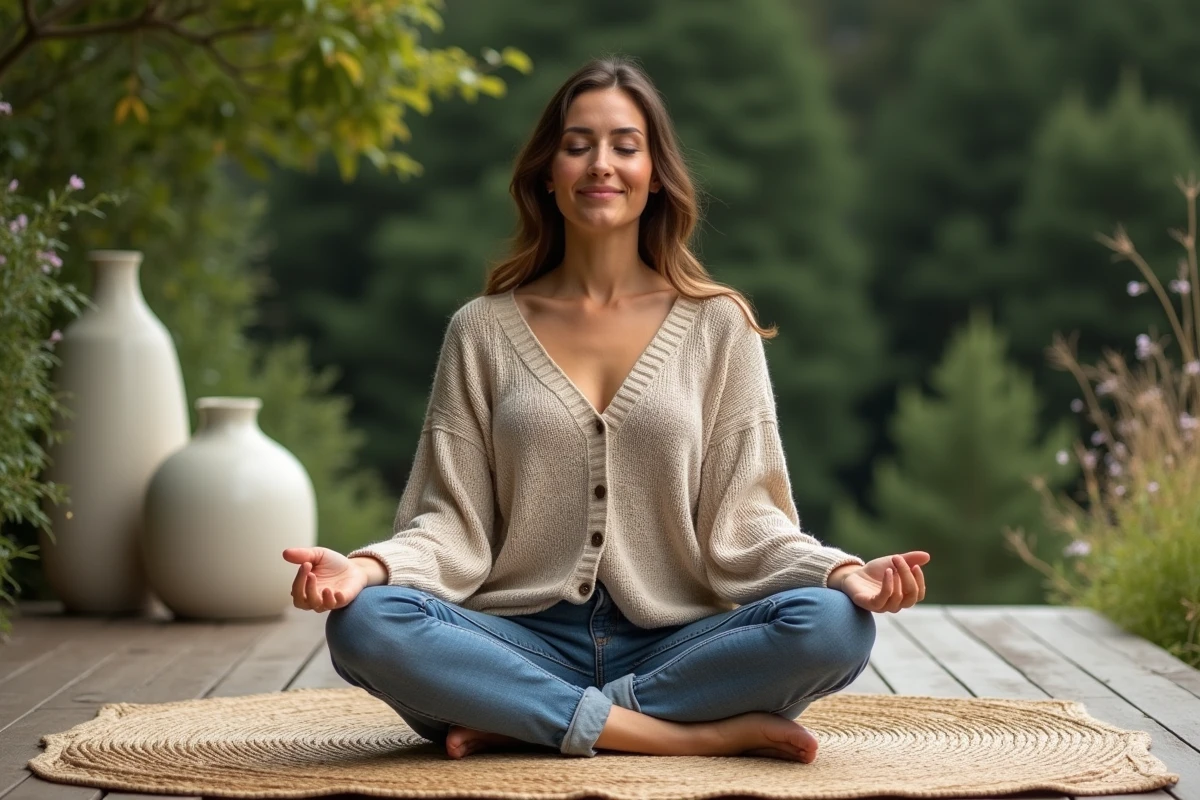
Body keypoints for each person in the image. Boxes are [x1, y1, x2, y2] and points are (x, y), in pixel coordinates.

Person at [282, 55, 929, 763]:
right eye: (577, 144)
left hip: (676, 643)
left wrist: (840, 573)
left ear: (655, 173)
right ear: (547, 172)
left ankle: (525, 720)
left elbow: (748, 522)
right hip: (518, 637)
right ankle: (685, 735)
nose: (601, 164)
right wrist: (365, 571)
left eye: (625, 145)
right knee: (366, 625)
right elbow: (449, 523)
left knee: (836, 626)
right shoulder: (482, 330)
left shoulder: (720, 327)